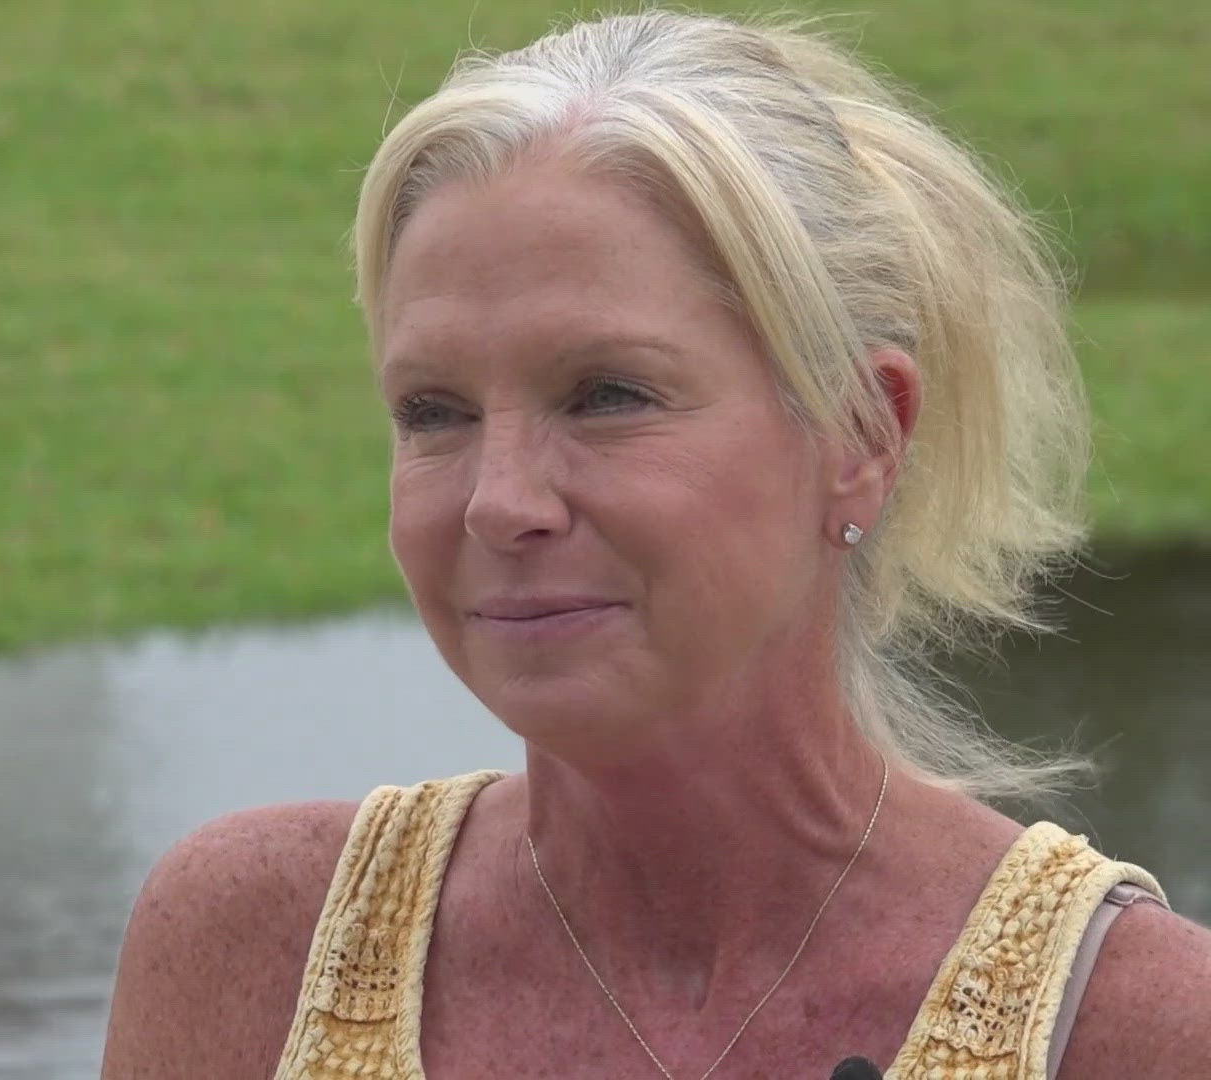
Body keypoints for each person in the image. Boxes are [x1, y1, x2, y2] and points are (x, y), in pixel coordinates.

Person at [100, 10, 1211, 1078]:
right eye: (434, 412)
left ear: (863, 433)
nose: (500, 501)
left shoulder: (1131, 1026)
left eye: (606, 395)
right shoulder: (262, 949)